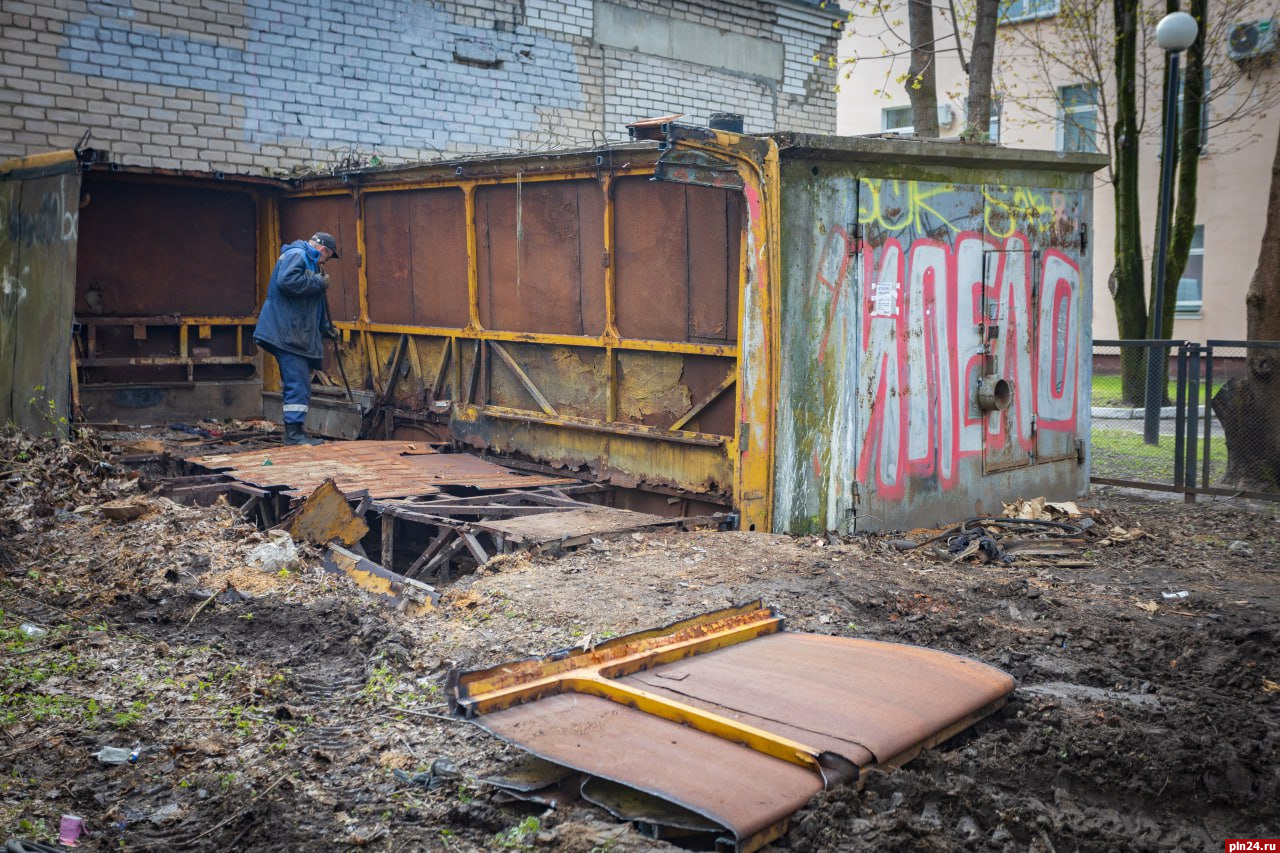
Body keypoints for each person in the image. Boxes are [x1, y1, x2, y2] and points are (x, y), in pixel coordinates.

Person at [253, 232, 341, 446]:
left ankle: (295, 432)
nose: (327, 261)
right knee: (298, 383)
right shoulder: (297, 255)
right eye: (328, 256)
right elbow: (287, 281)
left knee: (297, 382)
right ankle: (294, 435)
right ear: (323, 250)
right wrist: (317, 283)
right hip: (286, 333)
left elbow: (313, 306)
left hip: (291, 332)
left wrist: (325, 328)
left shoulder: (310, 264)